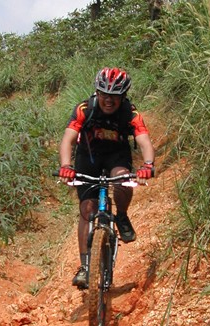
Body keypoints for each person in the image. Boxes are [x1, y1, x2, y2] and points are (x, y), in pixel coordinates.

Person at [58, 67, 155, 288]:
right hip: (88, 157)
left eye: (114, 96)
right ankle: (84, 267)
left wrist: (148, 165)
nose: (108, 100)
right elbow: (68, 140)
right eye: (103, 94)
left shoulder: (130, 114)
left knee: (122, 180)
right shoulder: (85, 109)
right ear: (97, 92)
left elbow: (144, 141)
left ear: (123, 96)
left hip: (116, 157)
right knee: (87, 209)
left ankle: (121, 215)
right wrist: (66, 165)